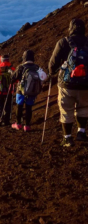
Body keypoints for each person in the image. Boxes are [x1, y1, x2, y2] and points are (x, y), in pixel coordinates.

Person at [49, 19, 88, 147]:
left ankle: (67, 138)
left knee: (66, 109)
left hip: (67, 84)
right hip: (85, 84)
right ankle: (81, 132)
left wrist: (52, 72)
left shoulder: (63, 42)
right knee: (84, 107)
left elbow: (52, 64)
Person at [11, 50, 47, 132]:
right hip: (32, 91)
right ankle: (27, 126)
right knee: (29, 107)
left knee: (19, 106)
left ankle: (18, 124)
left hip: (21, 91)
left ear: (24, 57)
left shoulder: (21, 67)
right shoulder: (36, 67)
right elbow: (44, 77)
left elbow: (13, 78)